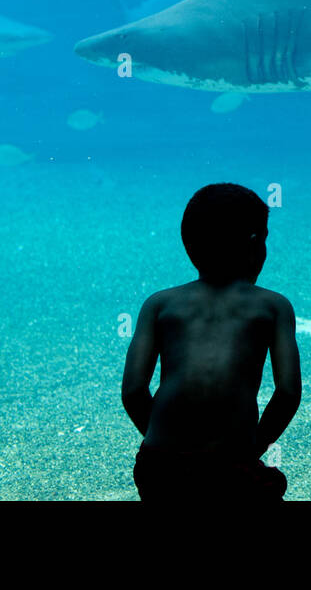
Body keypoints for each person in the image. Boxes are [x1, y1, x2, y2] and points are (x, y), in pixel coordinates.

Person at [122, 183, 301, 502]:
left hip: (161, 466)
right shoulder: (274, 307)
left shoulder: (159, 305)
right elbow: (287, 392)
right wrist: (252, 449)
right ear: (255, 244)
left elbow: (134, 390)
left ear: (188, 244)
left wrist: (163, 443)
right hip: (234, 465)